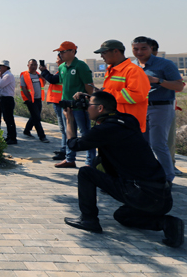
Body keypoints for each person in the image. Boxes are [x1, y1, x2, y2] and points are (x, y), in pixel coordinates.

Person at [62, 91, 184, 248]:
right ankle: (167, 223)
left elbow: (74, 145)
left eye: (89, 105)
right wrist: (92, 96)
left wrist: (69, 120)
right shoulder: (128, 120)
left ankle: (88, 220)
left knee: (86, 173)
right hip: (162, 197)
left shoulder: (105, 129)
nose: (86, 108)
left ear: (100, 108)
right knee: (121, 216)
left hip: (139, 192)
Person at [131, 36, 183, 182]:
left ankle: (167, 179)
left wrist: (157, 80)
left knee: (158, 144)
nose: (139, 52)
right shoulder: (132, 66)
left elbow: (179, 86)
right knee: (142, 144)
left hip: (161, 107)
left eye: (143, 48)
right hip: (140, 108)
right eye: (135, 49)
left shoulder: (165, 64)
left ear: (151, 49)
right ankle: (147, 176)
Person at [40, 41, 95, 168]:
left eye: (63, 52)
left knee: (85, 133)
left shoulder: (81, 66)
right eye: (60, 52)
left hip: (80, 107)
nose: (61, 54)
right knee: (69, 133)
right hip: (67, 106)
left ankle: (90, 161)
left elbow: (89, 88)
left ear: (72, 51)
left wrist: (87, 101)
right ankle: (70, 159)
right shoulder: (62, 67)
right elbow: (60, 83)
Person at [95, 39, 151, 134]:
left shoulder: (133, 71)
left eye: (104, 52)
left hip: (128, 125)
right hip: (114, 122)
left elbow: (136, 96)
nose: (101, 56)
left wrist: (106, 94)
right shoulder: (111, 70)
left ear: (116, 51)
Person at [42, 53, 66, 161]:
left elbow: (52, 79)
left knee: (64, 128)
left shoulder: (63, 70)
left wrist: (44, 71)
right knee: (63, 128)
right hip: (58, 102)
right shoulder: (61, 70)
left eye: (57, 59)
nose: (56, 61)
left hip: (61, 102)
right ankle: (64, 148)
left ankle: (65, 150)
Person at [20, 59, 49, 143]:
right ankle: (42, 136)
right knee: (37, 118)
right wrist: (29, 98)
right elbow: (23, 87)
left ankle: (27, 130)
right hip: (30, 100)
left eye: (35, 65)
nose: (33, 66)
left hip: (38, 99)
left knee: (34, 116)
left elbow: (43, 85)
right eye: (31, 64)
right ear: (28, 65)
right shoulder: (24, 75)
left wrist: (43, 79)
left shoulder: (38, 75)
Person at [0, 60, 17, 144]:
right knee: (7, 119)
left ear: (6, 67)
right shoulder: (5, 75)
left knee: (9, 119)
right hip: (4, 99)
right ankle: (9, 136)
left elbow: (0, 85)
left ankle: (12, 138)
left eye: (0, 66)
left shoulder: (7, 76)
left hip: (7, 99)